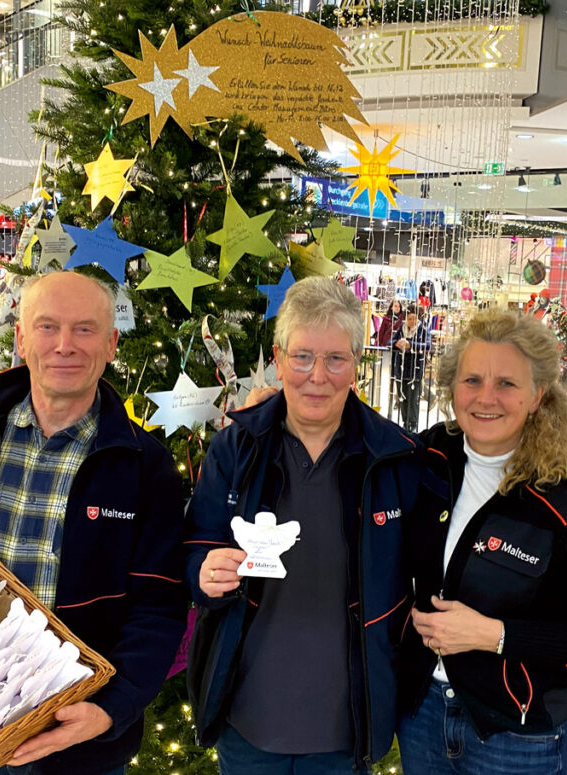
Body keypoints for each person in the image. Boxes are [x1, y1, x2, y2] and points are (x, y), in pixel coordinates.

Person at [0, 271, 186, 775]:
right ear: (21, 339)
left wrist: (110, 709)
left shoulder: (145, 466)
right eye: (48, 327)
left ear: (111, 345)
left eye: (85, 329)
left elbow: (159, 607)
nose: (65, 345)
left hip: (74, 737)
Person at [184, 276, 423, 774]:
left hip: (346, 729)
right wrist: (204, 573)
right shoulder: (235, 450)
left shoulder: (394, 459)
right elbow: (194, 549)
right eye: (302, 357)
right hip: (246, 722)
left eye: (335, 359)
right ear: (278, 358)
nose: (318, 376)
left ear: (356, 364)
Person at [397, 309, 567, 775]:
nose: (486, 398)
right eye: (472, 380)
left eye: (506, 383)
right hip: (422, 714)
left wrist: (496, 635)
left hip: (518, 738)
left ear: (537, 395)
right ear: (452, 388)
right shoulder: (427, 458)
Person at [391, 307, 430, 432]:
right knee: (402, 397)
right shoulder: (401, 329)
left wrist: (411, 345)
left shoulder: (423, 329)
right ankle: (405, 422)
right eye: (409, 319)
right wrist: (396, 344)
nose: (412, 321)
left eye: (414, 318)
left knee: (413, 399)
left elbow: (428, 345)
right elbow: (389, 342)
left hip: (415, 370)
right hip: (401, 369)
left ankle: (413, 423)